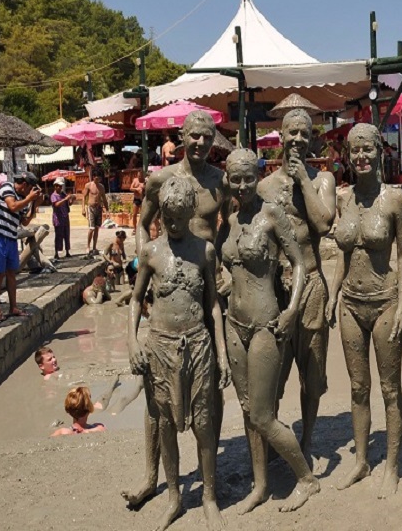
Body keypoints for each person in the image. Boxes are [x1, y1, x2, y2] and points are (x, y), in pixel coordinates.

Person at [128, 110, 228, 516]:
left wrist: (218, 256)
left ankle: (209, 488)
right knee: (158, 405)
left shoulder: (219, 181)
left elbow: (227, 225)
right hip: (169, 279)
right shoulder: (161, 179)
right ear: (182, 136)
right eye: (194, 137)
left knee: (208, 400)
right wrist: (143, 258)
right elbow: (143, 221)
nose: (201, 144)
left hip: (203, 283)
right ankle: (154, 478)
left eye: (207, 137)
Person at [219, 148, 319, 514]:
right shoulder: (228, 222)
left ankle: (306, 479)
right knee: (248, 412)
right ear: (227, 180)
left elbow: (299, 264)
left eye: (248, 177)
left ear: (257, 177)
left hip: (266, 324)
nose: (242, 185)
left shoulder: (272, 215)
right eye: (235, 178)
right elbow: (220, 263)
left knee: (263, 414)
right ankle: (260, 485)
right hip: (234, 325)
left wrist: (292, 310)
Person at [326, 124, 402, 498]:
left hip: (385, 301)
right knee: (359, 388)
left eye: (367, 150)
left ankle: (391, 465)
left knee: (390, 389)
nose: (360, 157)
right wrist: (331, 295)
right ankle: (361, 460)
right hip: (350, 304)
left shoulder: (394, 200)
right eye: (354, 151)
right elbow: (344, 255)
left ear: (380, 152)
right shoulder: (343, 200)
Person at [257, 108, 336, 462]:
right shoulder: (264, 187)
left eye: (305, 134)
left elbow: (323, 224)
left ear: (312, 138)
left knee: (312, 372)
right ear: (281, 136)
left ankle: (306, 439)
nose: (298, 140)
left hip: (312, 287)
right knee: (272, 370)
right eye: (292, 133)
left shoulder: (324, 181)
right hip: (276, 288)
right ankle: (275, 439)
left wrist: (304, 180)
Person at [0, 171, 43, 322]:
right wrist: (30, 198)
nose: (30, 192)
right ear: (25, 185)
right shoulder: (7, 188)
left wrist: (34, 204)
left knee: (12, 273)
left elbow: (24, 221)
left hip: (11, 238)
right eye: (30, 189)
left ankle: (13, 307)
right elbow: (12, 206)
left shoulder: (23, 198)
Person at [82, 170, 109, 258]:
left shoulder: (101, 187)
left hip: (99, 208)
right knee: (91, 228)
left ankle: (94, 247)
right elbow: (84, 197)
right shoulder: (88, 185)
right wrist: (83, 208)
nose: (96, 178)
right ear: (93, 177)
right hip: (91, 208)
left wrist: (107, 210)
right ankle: (88, 246)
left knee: (97, 228)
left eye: (98, 176)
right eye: (95, 176)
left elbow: (104, 198)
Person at [50, 178, 74, 260]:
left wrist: (71, 199)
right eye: (58, 186)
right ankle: (56, 252)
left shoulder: (63, 194)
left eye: (60, 186)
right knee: (58, 235)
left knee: (66, 234)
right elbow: (56, 204)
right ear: (55, 186)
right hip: (58, 218)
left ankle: (67, 251)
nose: (60, 188)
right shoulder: (53, 196)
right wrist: (65, 199)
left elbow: (68, 203)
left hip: (65, 217)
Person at [130, 170, 145, 235]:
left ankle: (142, 228)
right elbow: (130, 188)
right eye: (138, 176)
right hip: (136, 199)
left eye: (140, 176)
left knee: (142, 215)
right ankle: (135, 228)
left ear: (142, 175)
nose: (139, 177)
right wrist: (136, 189)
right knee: (134, 214)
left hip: (142, 199)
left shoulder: (145, 181)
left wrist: (143, 189)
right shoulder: (135, 180)